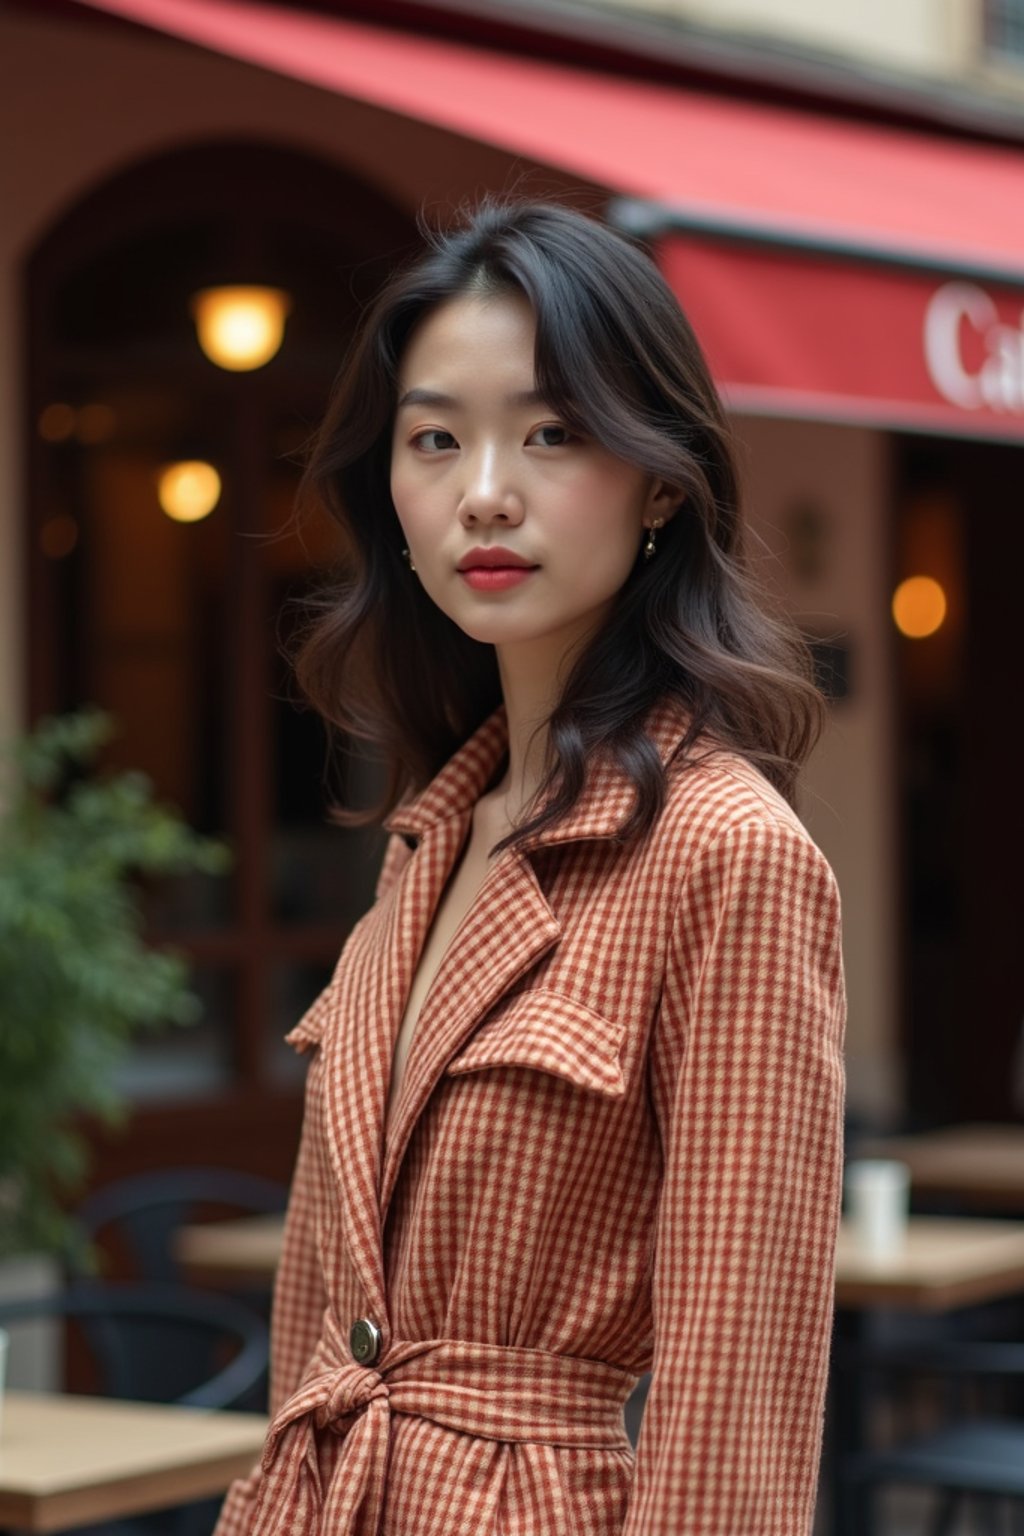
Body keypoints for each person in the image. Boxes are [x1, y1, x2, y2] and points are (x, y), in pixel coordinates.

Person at [213, 197, 846, 1536]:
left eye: (551, 434)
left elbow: (739, 1392)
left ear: (663, 476)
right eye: (436, 438)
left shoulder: (727, 855)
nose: (484, 489)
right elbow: (320, 1325)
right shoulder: (427, 844)